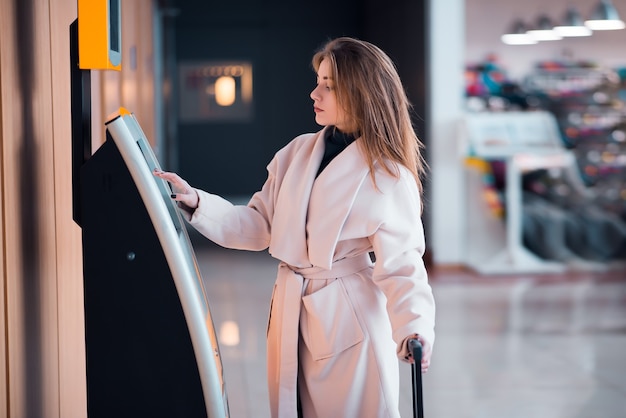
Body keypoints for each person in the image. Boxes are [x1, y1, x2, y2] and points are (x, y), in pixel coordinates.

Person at [155, 36, 435, 418]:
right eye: (318, 80)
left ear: (360, 92)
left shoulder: (387, 174)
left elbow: (402, 264)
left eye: (329, 85)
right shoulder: (297, 152)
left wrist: (414, 328)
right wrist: (198, 202)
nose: (314, 92)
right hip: (291, 308)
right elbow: (259, 224)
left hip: (349, 317)